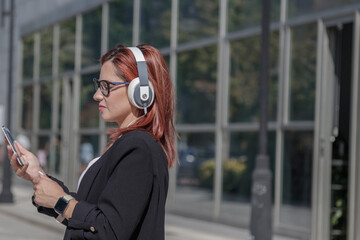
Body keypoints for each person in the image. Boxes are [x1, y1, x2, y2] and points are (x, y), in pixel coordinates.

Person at [5, 44, 176, 240]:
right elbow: (90, 216)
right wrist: (38, 176)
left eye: (106, 87)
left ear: (141, 91)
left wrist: (62, 202)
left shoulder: (139, 147)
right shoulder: (128, 143)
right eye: (98, 86)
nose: (96, 95)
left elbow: (108, 230)